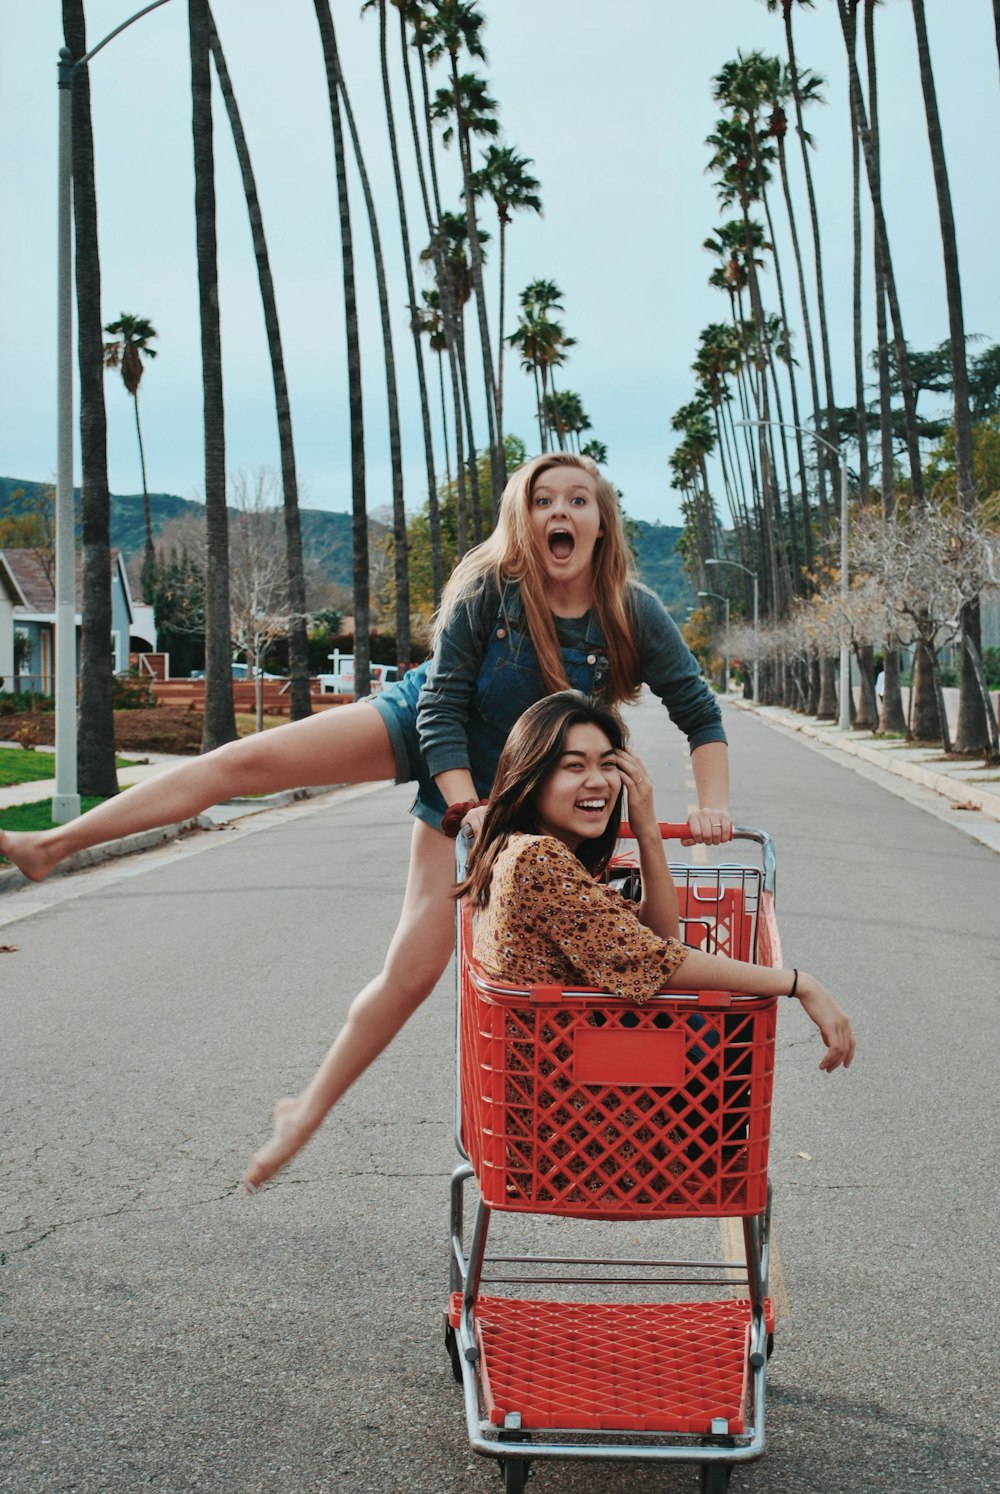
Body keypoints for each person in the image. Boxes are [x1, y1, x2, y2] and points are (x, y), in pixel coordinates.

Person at [0, 452, 734, 1183]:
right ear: (525, 515)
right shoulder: (493, 589)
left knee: (413, 970)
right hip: (429, 731)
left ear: (602, 522)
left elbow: (698, 711)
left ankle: (306, 1111)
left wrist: (713, 806)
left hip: (499, 784)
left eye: (579, 501)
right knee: (242, 766)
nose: (560, 514)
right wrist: (461, 810)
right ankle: (52, 844)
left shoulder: (631, 612)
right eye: (544, 501)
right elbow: (441, 706)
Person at [461, 691, 855, 1070]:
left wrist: (647, 827)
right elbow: (657, 961)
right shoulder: (537, 859)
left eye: (608, 764)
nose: (598, 781)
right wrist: (798, 983)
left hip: (558, 1076)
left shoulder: (530, 851)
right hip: (562, 1106)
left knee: (705, 1029)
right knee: (725, 1031)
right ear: (532, 775)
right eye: (575, 766)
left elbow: (657, 939)